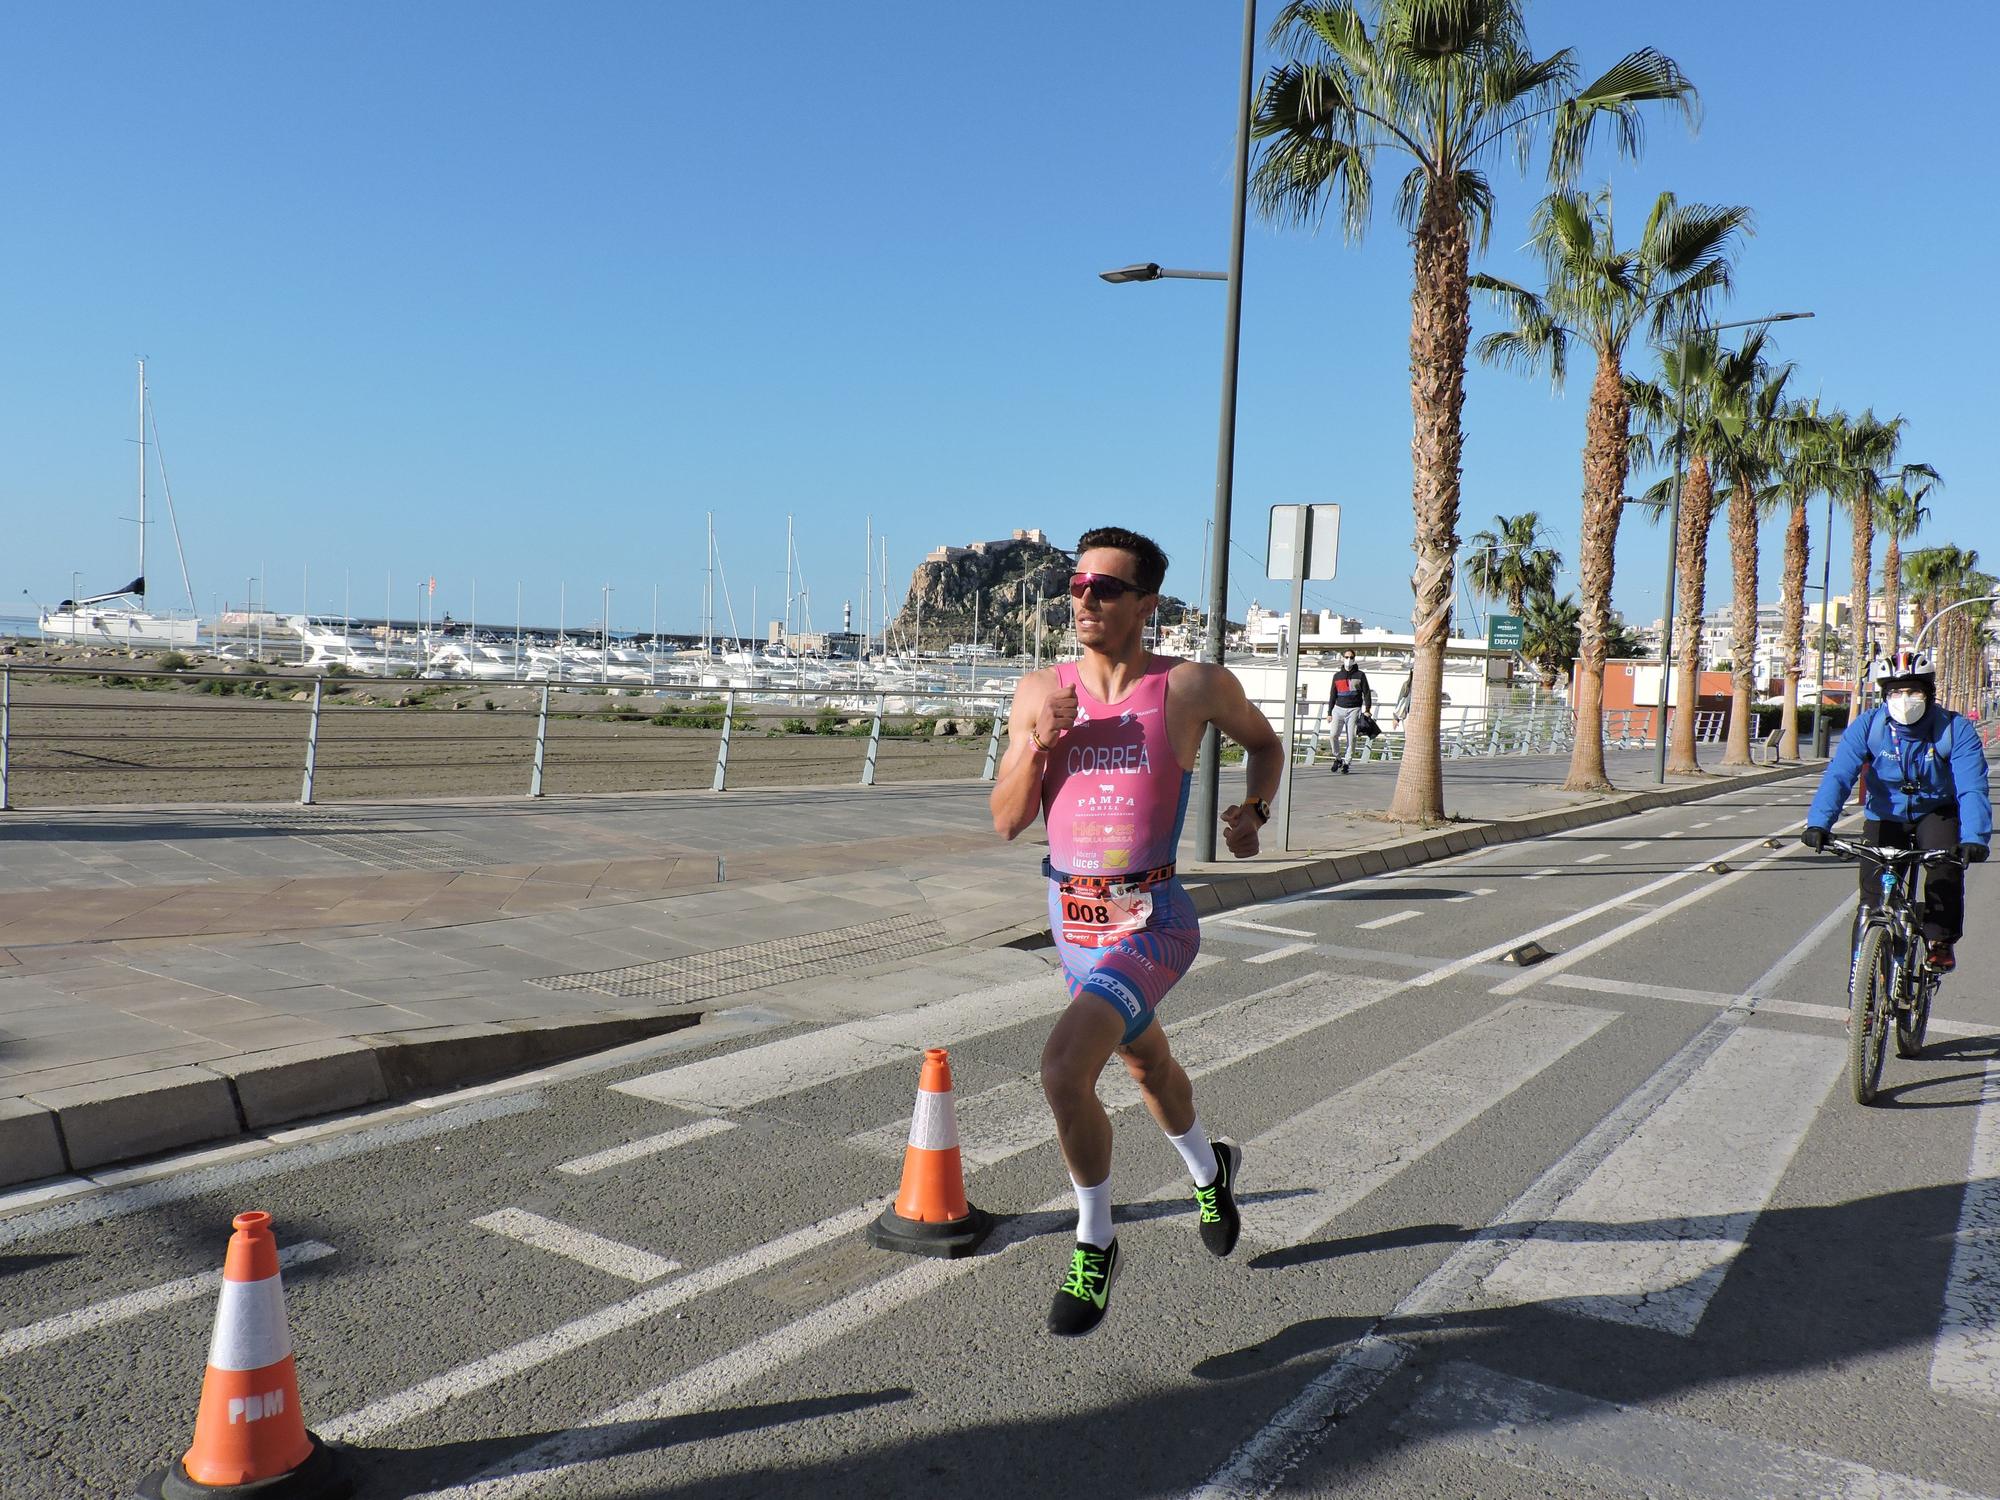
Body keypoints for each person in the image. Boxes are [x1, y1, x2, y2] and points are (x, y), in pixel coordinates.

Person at [990, 525, 1283, 1337]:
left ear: (1147, 605)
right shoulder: (1037, 691)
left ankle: (1095, 1240)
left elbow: (1266, 743)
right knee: (1147, 1065)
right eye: (1078, 584)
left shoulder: (1189, 687)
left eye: (1106, 588)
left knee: (1061, 1070)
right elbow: (1008, 821)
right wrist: (1032, 744)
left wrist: (1253, 811)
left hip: (1153, 916)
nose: (1085, 598)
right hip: (1072, 918)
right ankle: (1209, 1168)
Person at [1802, 648, 1991, 971]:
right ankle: (1862, 987)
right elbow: (1839, 775)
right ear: (1885, 696)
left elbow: (1972, 786)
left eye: (1913, 690)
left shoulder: (1954, 729)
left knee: (1945, 868)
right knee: (1872, 901)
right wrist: (1819, 823)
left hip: (1936, 811)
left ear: (1929, 694)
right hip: (1884, 815)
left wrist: (1975, 837)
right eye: (1896, 692)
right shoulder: (1869, 726)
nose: (1905, 699)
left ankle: (1940, 942)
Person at [1325, 649, 1373, 773]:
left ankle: (1347, 762)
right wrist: (1329, 712)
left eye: (1351, 657)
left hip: (1354, 709)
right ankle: (1338, 758)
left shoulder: (1360, 675)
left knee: (1351, 737)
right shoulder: (1337, 676)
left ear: (1354, 659)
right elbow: (1332, 695)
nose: (1348, 659)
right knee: (1333, 735)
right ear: (1343, 658)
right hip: (1338, 709)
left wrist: (1367, 709)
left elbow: (1366, 693)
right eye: (1346, 657)